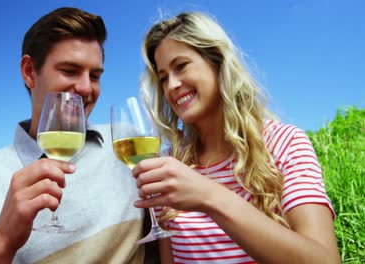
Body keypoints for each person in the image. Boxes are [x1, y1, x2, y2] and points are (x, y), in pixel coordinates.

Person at [0, 7, 148, 263]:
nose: (85, 87)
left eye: (95, 75)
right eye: (69, 71)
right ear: (29, 72)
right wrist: (2, 239)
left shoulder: (126, 145)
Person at [133, 11, 341, 263]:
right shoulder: (170, 165)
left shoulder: (284, 143)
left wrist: (209, 196)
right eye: (163, 78)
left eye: (181, 66)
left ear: (218, 63)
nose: (172, 85)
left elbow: (325, 260)